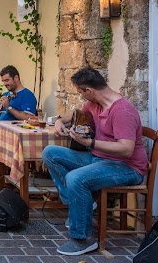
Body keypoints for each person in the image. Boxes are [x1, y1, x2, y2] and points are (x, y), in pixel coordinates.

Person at [42, 67, 147, 256]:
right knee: (50, 153)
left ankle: (83, 239)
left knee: (75, 178)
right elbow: (71, 117)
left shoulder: (122, 111)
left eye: (80, 92)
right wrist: (59, 122)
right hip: (99, 159)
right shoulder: (93, 104)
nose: (81, 96)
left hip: (127, 167)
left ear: (89, 90)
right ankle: (81, 207)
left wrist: (90, 143)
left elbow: (126, 149)